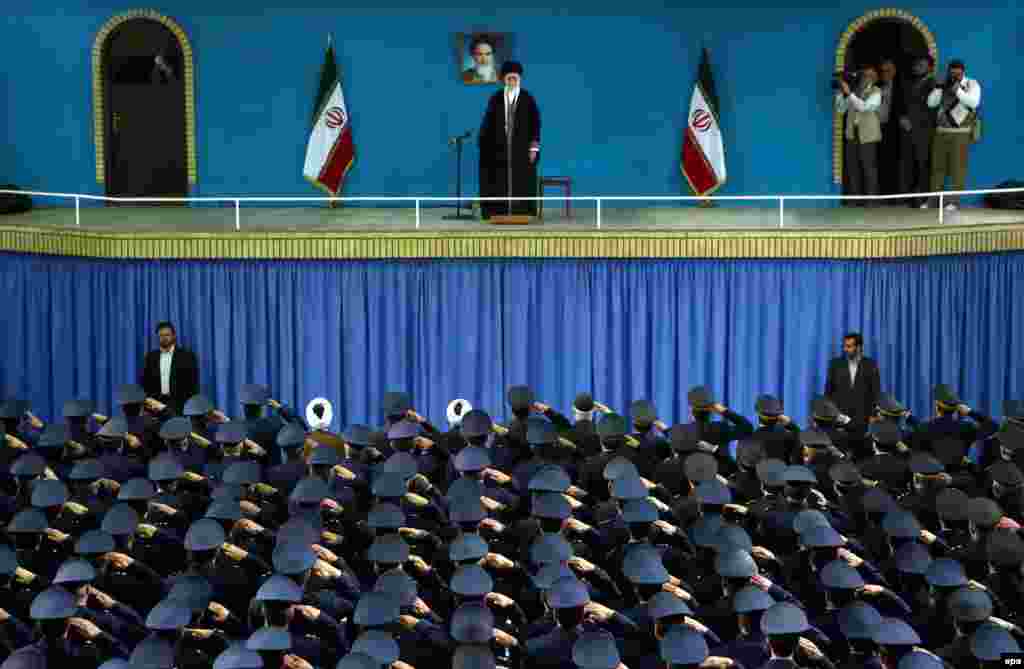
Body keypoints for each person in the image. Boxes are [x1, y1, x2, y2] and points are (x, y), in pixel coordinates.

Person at [478, 61, 541, 220]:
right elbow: (488, 122)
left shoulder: (528, 98)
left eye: (515, 78)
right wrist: (484, 143)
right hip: (499, 148)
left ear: (519, 79)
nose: (512, 81)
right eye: (509, 79)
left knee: (523, 180)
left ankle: (523, 212)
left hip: (521, 147)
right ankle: (498, 211)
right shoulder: (496, 98)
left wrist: (533, 148)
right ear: (504, 80)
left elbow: (535, 124)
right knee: (497, 179)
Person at [924, 59, 982, 211]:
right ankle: (933, 201)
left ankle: (954, 202)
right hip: (941, 132)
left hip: (961, 134)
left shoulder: (972, 84)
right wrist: (938, 87)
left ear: (963, 71)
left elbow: (974, 103)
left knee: (958, 168)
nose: (954, 74)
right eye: (952, 71)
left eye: (958, 72)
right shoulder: (943, 83)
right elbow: (931, 103)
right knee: (937, 168)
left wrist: (957, 89)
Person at [835, 66, 882, 205]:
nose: (865, 78)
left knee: (869, 168)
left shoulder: (876, 92)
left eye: (869, 76)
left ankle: (871, 201)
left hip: (867, 135)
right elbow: (840, 109)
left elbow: (865, 107)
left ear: (874, 79)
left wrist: (849, 93)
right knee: (852, 167)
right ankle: (854, 200)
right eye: (864, 75)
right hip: (852, 133)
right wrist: (840, 92)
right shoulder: (853, 91)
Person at [899, 54, 937, 208]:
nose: (917, 66)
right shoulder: (912, 82)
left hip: (924, 131)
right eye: (917, 64)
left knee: (923, 164)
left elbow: (931, 108)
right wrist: (903, 118)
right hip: (909, 131)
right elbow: (906, 105)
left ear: (929, 67)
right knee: (909, 164)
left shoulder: (933, 83)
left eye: (922, 64)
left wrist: (914, 123)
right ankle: (910, 197)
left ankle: (923, 198)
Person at [139, 322, 199, 416]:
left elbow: (193, 384)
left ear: (174, 336)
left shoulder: (187, 356)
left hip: (179, 405)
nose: (164, 338)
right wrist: (146, 404)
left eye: (167, 335)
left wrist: (190, 407)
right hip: (155, 405)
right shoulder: (150, 357)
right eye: (161, 335)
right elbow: (145, 383)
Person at [824, 333, 880, 430]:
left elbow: (875, 392)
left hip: (862, 418)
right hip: (839, 418)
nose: (845, 349)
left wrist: (873, 415)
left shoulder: (870, 365)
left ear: (858, 347)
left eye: (849, 346)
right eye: (844, 346)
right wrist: (827, 413)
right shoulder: (835, 364)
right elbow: (828, 391)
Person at [876, 59, 898, 197]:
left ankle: (892, 194)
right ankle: (879, 192)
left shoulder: (900, 86)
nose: (885, 73)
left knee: (892, 162)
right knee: (878, 161)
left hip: (893, 128)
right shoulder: (876, 85)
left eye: (888, 70)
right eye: (883, 71)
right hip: (877, 127)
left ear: (894, 71)